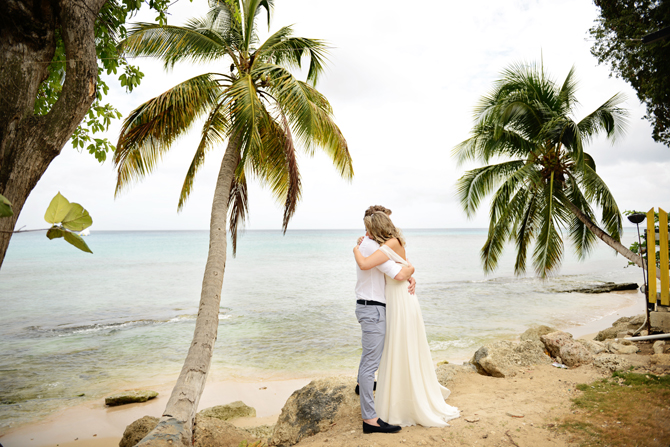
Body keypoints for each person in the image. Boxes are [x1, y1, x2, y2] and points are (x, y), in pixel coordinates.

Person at [353, 211, 460, 427]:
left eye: (369, 229)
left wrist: (356, 248)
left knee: (400, 348)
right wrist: (411, 271)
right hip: (395, 300)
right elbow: (403, 266)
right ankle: (382, 392)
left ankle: (391, 400)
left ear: (377, 229)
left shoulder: (385, 245)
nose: (366, 233)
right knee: (399, 349)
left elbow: (391, 270)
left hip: (399, 300)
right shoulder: (392, 242)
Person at [354, 205, 416, 434]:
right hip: (373, 309)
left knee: (369, 358)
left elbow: (399, 269)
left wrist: (410, 273)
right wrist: (411, 270)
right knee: (371, 362)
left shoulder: (369, 245)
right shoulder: (371, 247)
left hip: (370, 308)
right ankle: (370, 420)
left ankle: (362, 386)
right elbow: (400, 273)